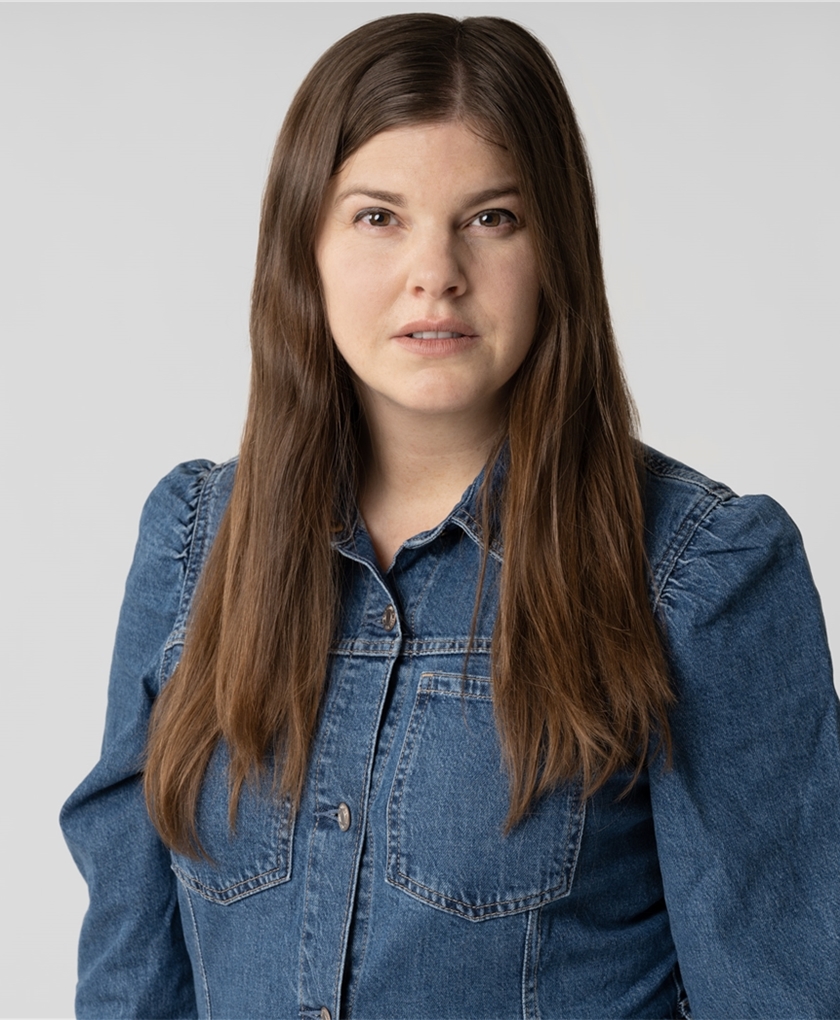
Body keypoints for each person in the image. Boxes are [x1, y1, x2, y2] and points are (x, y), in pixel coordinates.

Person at [60, 13, 840, 1020]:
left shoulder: (702, 575)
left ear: (556, 248)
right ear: (305, 246)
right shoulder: (192, 545)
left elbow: (781, 996)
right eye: (379, 217)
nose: (436, 272)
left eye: (492, 217)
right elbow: (128, 980)